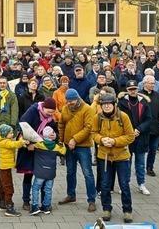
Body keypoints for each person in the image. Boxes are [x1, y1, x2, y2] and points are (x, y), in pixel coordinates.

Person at [92, 93, 135, 223]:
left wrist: (115, 141)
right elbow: (93, 133)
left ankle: (127, 211)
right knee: (105, 185)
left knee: (124, 185)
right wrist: (101, 139)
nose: (106, 106)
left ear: (114, 104)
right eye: (104, 104)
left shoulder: (123, 117)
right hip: (104, 156)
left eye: (108, 104)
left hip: (121, 156)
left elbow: (130, 136)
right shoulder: (97, 118)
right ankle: (106, 209)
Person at [58, 88, 97, 211]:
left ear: (77, 98)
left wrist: (74, 139)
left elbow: (88, 128)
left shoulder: (88, 109)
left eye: (72, 101)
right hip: (68, 146)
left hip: (83, 146)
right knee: (70, 172)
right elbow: (61, 124)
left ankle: (91, 200)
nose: (69, 103)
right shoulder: (65, 108)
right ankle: (71, 195)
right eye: (67, 101)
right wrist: (61, 139)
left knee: (87, 173)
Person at [117, 80, 152, 195]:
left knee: (140, 163)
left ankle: (141, 184)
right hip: (127, 137)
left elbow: (148, 119)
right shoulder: (121, 103)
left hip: (141, 136)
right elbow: (119, 119)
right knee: (126, 163)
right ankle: (124, 184)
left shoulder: (144, 102)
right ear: (127, 90)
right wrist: (130, 131)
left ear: (138, 89)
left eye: (135, 89)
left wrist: (139, 129)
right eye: (130, 89)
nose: (133, 91)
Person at [30, 126, 66, 216]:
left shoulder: (39, 145)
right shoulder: (56, 147)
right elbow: (63, 151)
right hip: (50, 172)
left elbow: (29, 147)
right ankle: (46, 207)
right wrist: (62, 143)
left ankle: (35, 206)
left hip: (40, 172)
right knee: (48, 189)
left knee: (35, 188)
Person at [0, 124, 26, 217]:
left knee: (3, 185)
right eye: (10, 133)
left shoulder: (1, 139)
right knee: (8, 187)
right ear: (5, 134)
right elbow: (14, 145)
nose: (12, 134)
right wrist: (22, 141)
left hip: (3, 167)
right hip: (5, 168)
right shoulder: (4, 142)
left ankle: (2, 203)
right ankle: (9, 207)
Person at [140, 75, 159, 177]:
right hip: (143, 128)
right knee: (141, 149)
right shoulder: (140, 95)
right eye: (150, 83)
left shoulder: (158, 96)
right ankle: (140, 167)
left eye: (153, 83)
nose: (152, 85)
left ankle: (150, 167)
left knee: (153, 149)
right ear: (145, 83)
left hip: (155, 127)